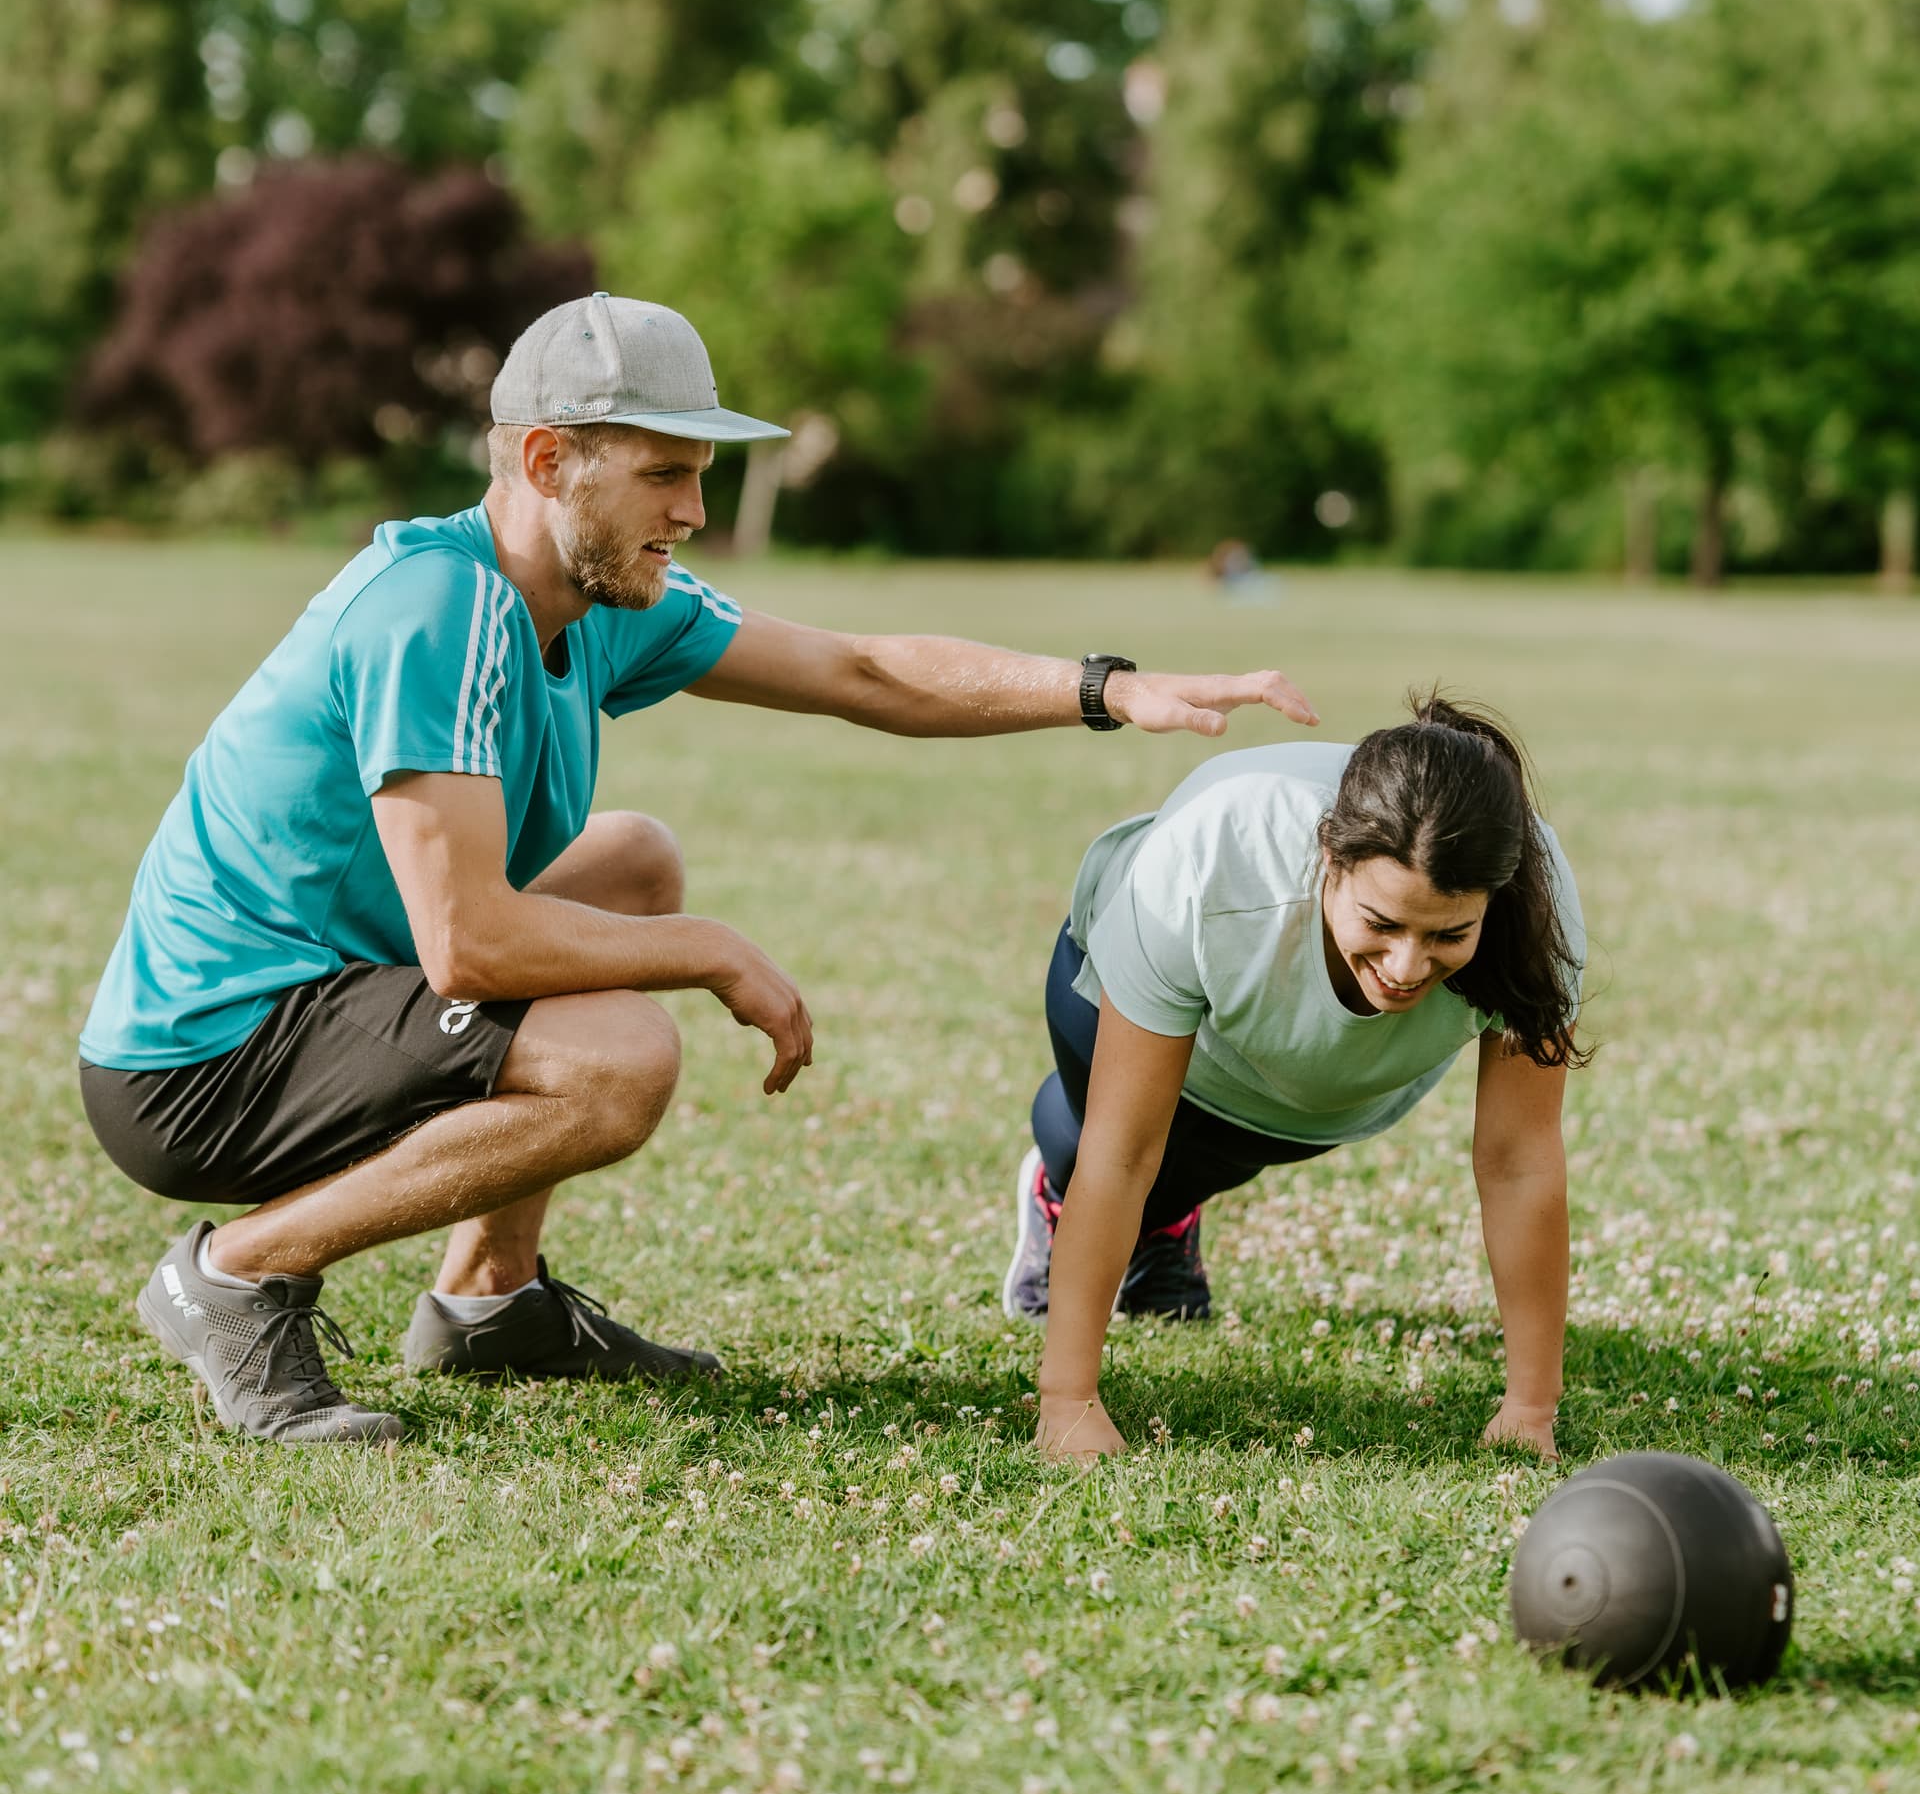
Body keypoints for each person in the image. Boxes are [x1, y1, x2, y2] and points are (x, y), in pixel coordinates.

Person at [79, 292, 1318, 1446]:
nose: (691, 511)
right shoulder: (435, 612)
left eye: (699, 475)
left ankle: (490, 1300)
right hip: (203, 1061)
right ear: (548, 461)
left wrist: (1106, 690)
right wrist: (717, 954)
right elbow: (469, 947)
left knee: (631, 861)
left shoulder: (598, 596)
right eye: (664, 474)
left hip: (331, 996)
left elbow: (859, 671)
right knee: (620, 1059)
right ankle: (234, 1277)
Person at [999, 695, 1586, 1463]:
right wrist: (1067, 1401)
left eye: (1449, 934)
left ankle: (1167, 1217)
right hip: (1113, 989)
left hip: (1311, 1088)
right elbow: (1123, 1152)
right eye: (1381, 923)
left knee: (1205, 1159)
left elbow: (1519, 1165)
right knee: (1100, 1149)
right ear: (1329, 858)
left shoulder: (1539, 912)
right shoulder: (1212, 859)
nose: (1408, 968)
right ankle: (1060, 1187)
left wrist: (1530, 1406)